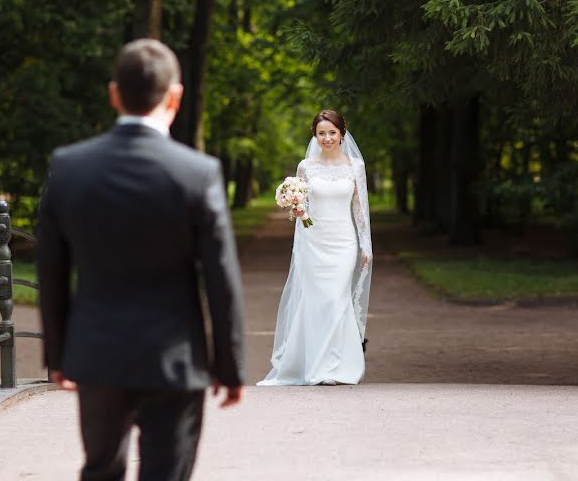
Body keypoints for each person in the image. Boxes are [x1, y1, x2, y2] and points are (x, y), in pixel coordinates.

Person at [37, 38, 245, 481]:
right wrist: (229, 366)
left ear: (115, 94)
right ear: (176, 96)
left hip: (97, 355)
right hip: (175, 360)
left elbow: (51, 271)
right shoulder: (198, 172)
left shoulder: (69, 167)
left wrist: (58, 355)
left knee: (100, 471)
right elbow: (221, 277)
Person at [258, 109, 373, 386]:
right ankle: (316, 365)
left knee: (336, 299)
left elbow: (360, 208)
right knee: (317, 302)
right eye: (322, 133)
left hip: (343, 241)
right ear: (315, 135)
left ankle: (335, 366)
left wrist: (365, 244)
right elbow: (304, 207)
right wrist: (297, 208)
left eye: (332, 132)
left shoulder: (355, 167)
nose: (327, 138)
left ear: (342, 134)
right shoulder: (306, 167)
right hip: (314, 242)